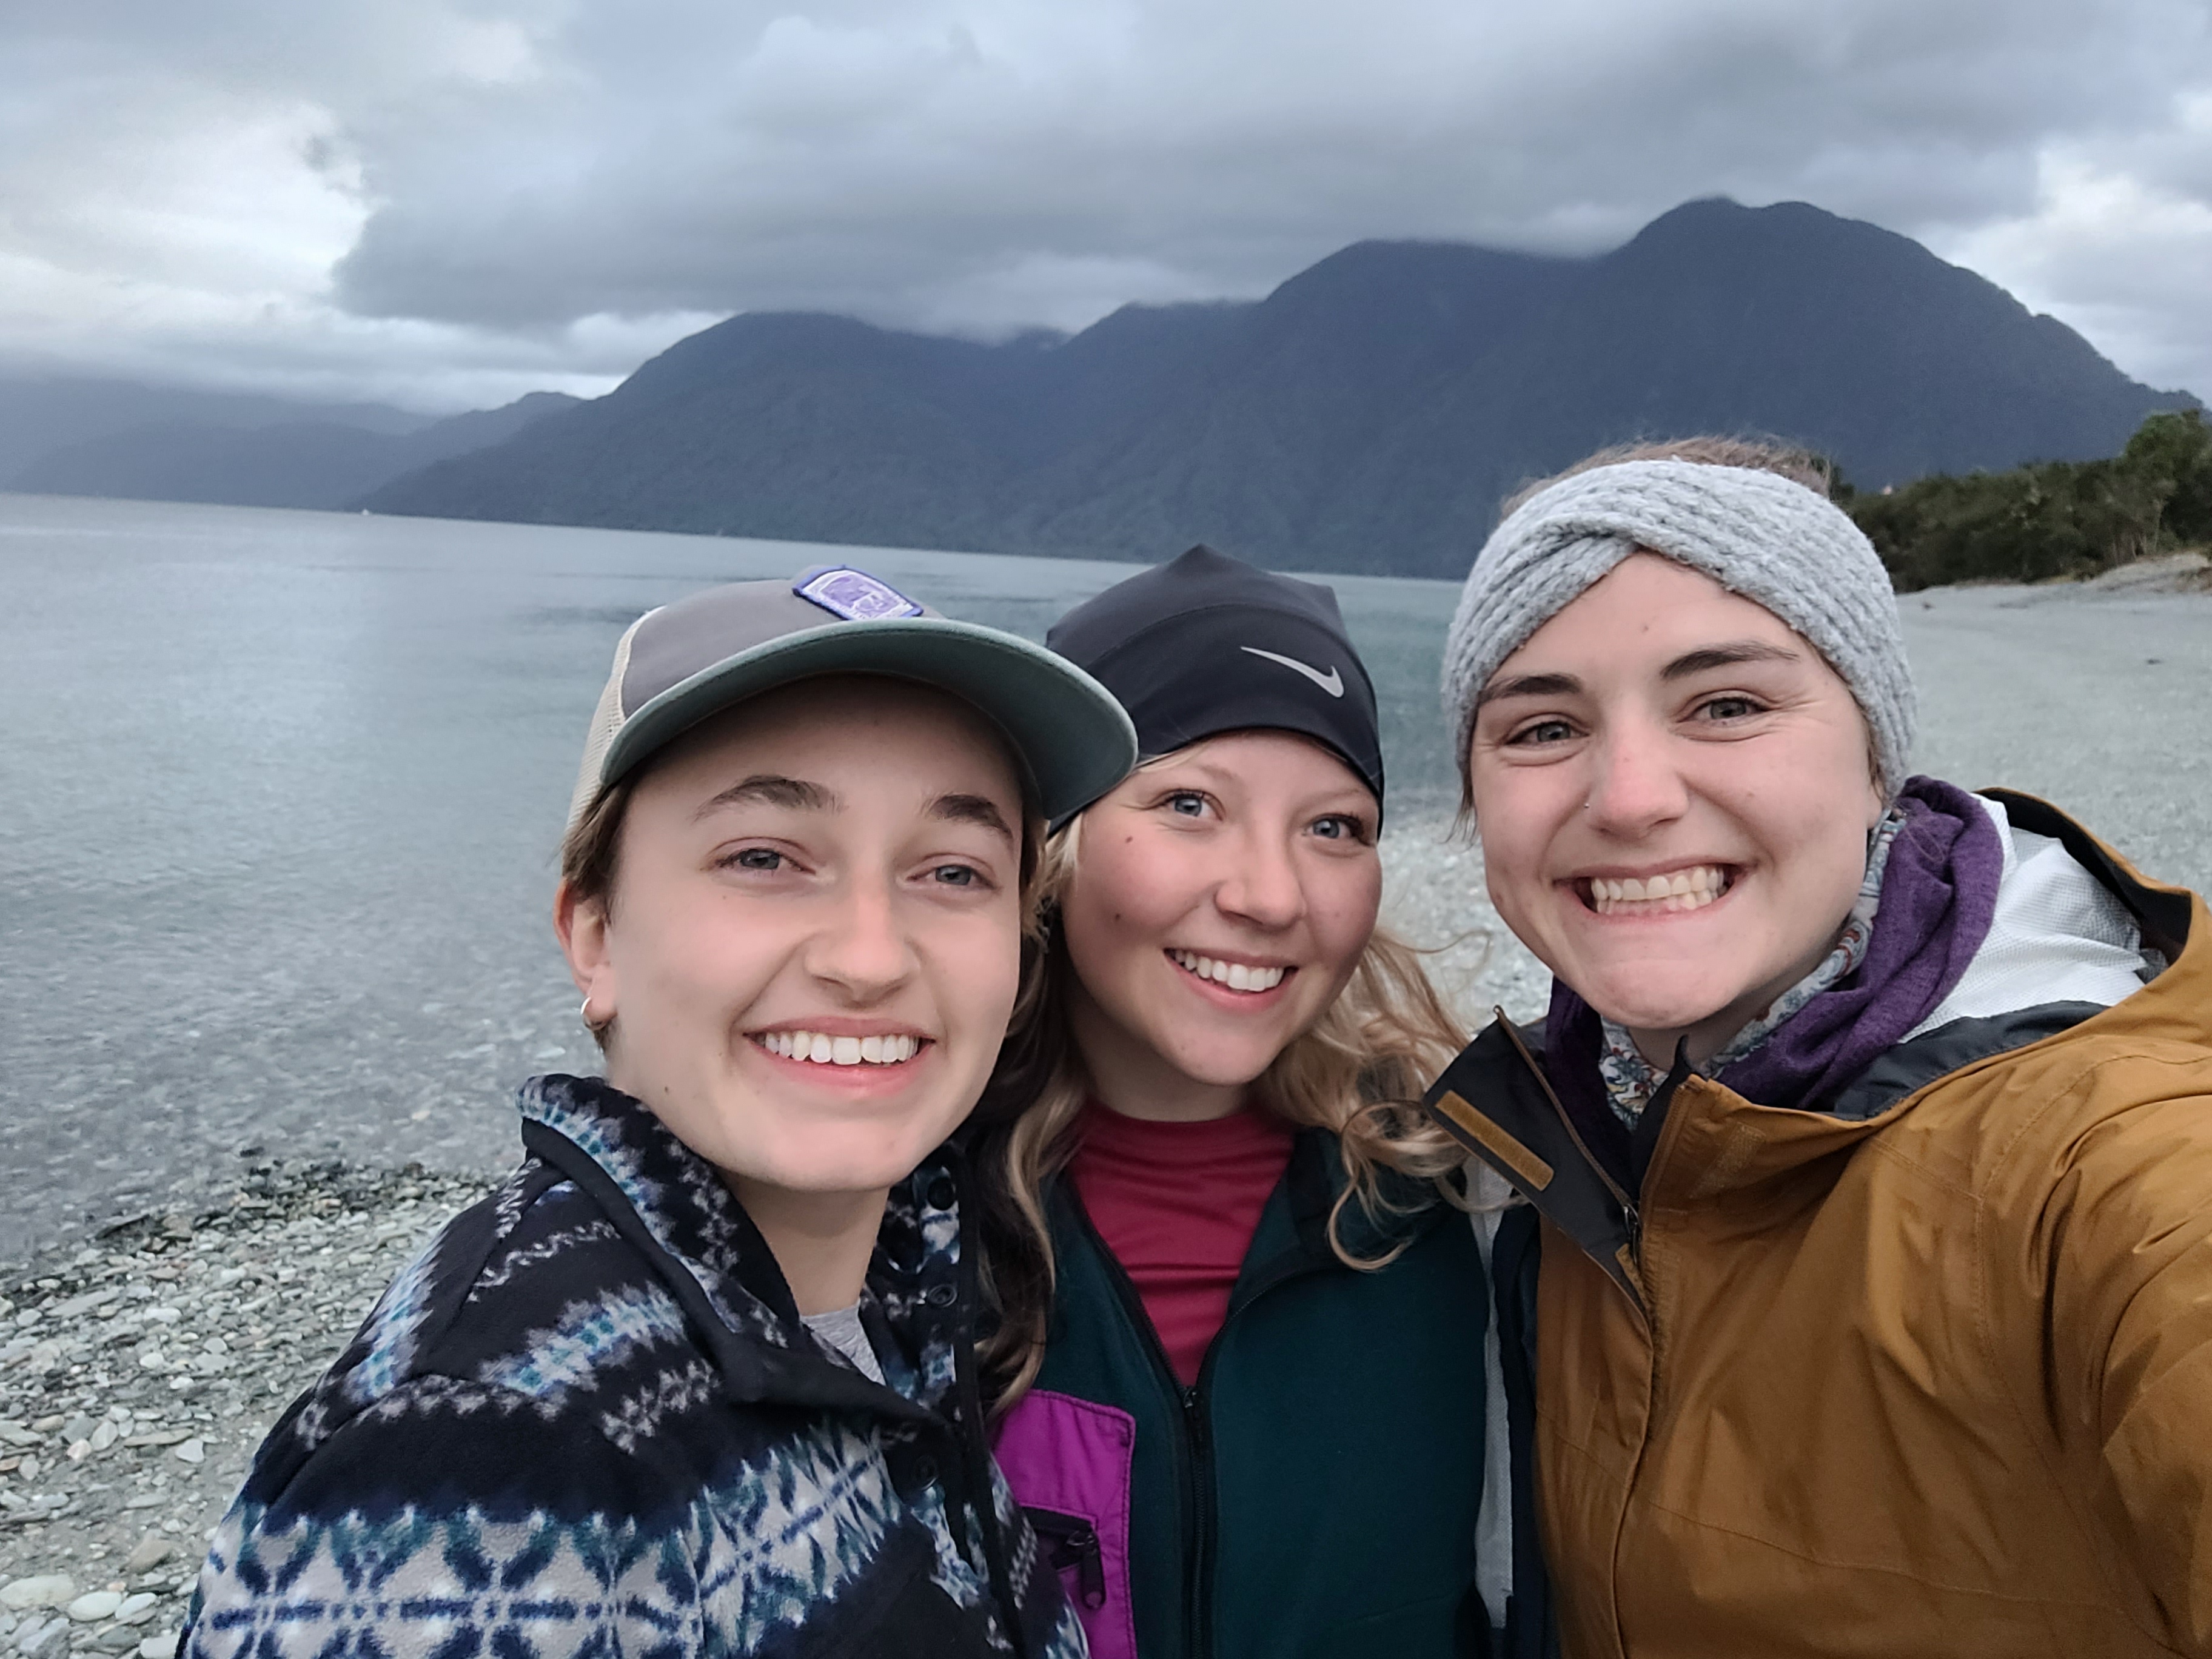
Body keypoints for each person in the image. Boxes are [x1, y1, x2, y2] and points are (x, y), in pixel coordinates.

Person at [179, 565, 1139, 1659]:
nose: (872, 957)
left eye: (955, 871)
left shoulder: (894, 1289)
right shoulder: (487, 1457)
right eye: (766, 857)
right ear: (594, 934)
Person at [1423, 441, 2212, 1657]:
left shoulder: (2109, 1154)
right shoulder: (1561, 1137)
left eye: (1728, 705)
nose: (1630, 797)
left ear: (1877, 760)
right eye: (1541, 726)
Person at [969, 545, 1543, 1659]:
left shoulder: (1480, 1203)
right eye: (1190, 804)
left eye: (1335, 827)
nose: (1271, 896)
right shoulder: (894, 1220)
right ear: (1055, 843)